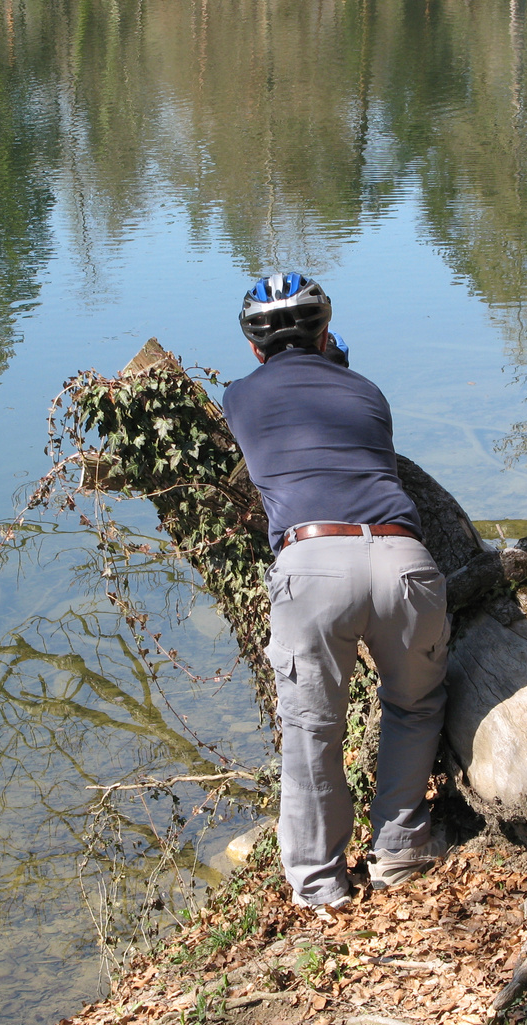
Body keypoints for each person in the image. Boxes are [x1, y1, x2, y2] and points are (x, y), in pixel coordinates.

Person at [220, 272, 451, 911]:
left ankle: (322, 887)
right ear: (325, 332)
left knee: (311, 732)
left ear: (253, 346)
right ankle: (399, 854)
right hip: (403, 561)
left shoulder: (239, 397)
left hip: (312, 563)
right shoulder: (368, 392)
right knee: (414, 704)